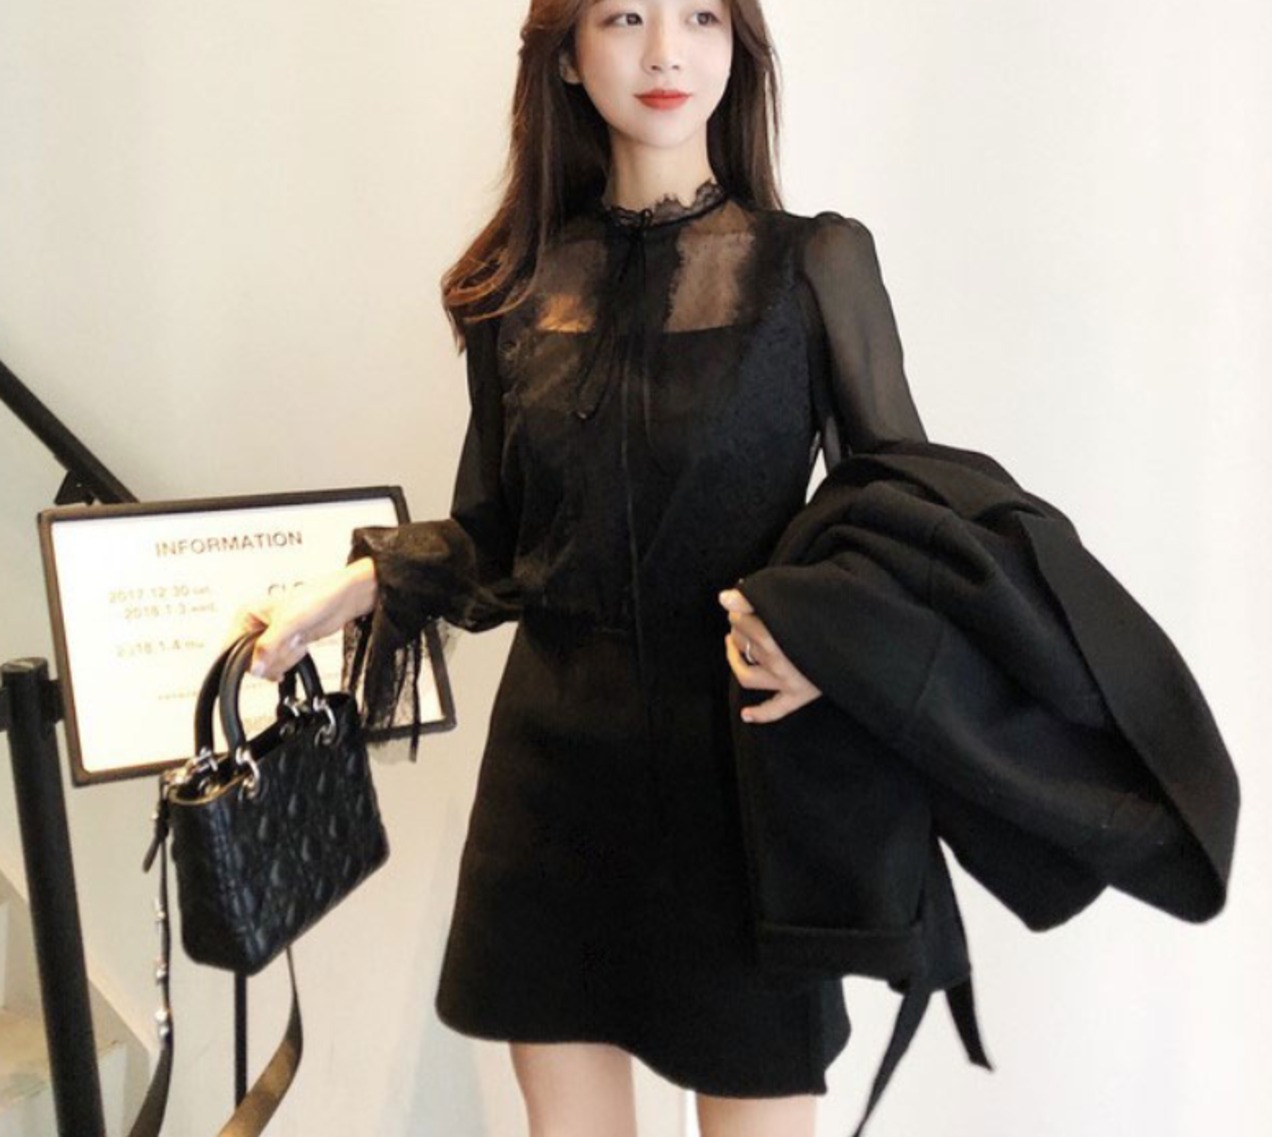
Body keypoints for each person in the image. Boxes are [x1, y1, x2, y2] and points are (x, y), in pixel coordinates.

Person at [237, 2, 926, 1134]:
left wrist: (829, 645)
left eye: (700, 16)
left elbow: (897, 508)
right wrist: (357, 585)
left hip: (742, 786)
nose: (665, 51)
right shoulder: (515, 285)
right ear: (565, 54)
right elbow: (498, 538)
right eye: (623, 17)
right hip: (555, 784)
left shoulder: (814, 265)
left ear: (737, 47)